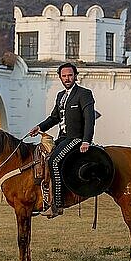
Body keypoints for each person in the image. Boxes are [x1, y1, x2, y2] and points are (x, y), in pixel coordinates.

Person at [29, 62, 96, 218]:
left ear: (75, 76)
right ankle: (43, 200)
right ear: (60, 77)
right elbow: (54, 118)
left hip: (76, 138)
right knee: (42, 156)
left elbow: (90, 119)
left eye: (70, 75)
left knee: (54, 160)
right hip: (63, 138)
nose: (67, 78)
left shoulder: (84, 94)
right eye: (64, 76)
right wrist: (39, 128)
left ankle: (57, 205)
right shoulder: (60, 96)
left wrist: (86, 140)